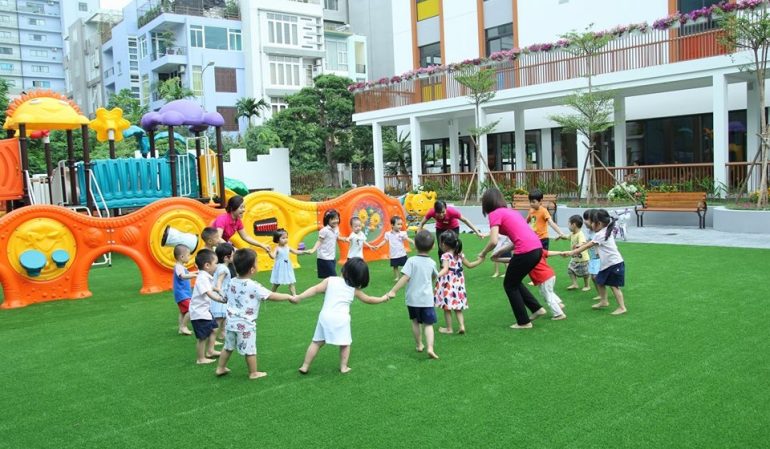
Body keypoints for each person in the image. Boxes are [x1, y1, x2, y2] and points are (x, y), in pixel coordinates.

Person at [295, 258, 389, 374]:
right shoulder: (353, 290)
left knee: (316, 342)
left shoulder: (330, 280)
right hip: (341, 319)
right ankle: (343, 367)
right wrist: (383, 298)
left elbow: (315, 289)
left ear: (344, 269)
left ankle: (305, 366)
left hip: (325, 316)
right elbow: (369, 299)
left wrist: (299, 297)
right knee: (345, 344)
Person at [215, 248, 297, 380]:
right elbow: (271, 295)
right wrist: (288, 296)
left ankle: (220, 368)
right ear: (252, 269)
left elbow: (225, 297)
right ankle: (253, 373)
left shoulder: (231, 282)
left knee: (228, 347)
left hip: (230, 323)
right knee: (250, 349)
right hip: (246, 324)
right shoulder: (254, 286)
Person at [478, 188, 547, 329]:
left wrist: (483, 253)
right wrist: (500, 252)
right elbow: (518, 239)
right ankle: (536, 309)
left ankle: (524, 322)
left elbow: (493, 241)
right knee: (514, 281)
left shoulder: (494, 214)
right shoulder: (511, 212)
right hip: (537, 249)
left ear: (486, 203)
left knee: (509, 285)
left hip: (526, 251)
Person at [387, 230, 440, 359]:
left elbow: (405, 278)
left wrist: (393, 291)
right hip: (426, 299)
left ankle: (419, 344)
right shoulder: (432, 263)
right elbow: (435, 276)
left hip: (413, 299)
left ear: (415, 245)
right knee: (428, 324)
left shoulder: (411, 261)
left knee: (415, 321)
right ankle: (430, 347)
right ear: (433, 246)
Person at [564, 209, 627, 315]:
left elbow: (588, 245)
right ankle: (604, 301)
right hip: (607, 264)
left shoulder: (600, 234)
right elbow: (591, 243)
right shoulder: (604, 231)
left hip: (614, 264)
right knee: (599, 281)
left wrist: (572, 252)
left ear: (599, 224)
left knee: (614, 286)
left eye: (592, 222)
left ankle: (622, 307)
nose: (590, 224)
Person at [493, 243, 566, 320]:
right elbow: (548, 253)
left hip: (544, 277)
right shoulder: (536, 250)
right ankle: (559, 304)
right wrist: (560, 253)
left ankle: (559, 314)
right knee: (547, 293)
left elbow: (512, 260)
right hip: (549, 274)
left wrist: (497, 259)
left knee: (547, 295)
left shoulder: (525, 255)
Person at [434, 230, 483, 335]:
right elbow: (469, 265)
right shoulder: (459, 255)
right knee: (457, 306)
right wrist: (480, 260)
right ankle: (462, 326)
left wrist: (436, 275)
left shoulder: (446, 256)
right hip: (458, 283)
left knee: (446, 307)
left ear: (443, 244)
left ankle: (449, 329)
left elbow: (445, 269)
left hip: (448, 284)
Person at [189, 249, 226, 364]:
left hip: (205, 311)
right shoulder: (202, 278)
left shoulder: (205, 276)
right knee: (202, 337)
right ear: (207, 265)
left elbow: (210, 288)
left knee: (214, 329)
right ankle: (201, 359)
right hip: (199, 313)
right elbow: (209, 293)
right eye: (216, 263)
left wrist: (217, 289)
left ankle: (210, 351)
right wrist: (220, 299)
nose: (217, 266)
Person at [417, 200, 483, 260]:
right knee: (441, 248)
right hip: (440, 228)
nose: (441, 215)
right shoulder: (431, 212)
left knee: (454, 247)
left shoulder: (452, 211)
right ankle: (443, 266)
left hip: (453, 227)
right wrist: (418, 237)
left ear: (446, 209)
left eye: (443, 212)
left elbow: (465, 220)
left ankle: (455, 264)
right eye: (439, 213)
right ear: (435, 211)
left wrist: (477, 232)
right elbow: (421, 223)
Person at [269, 228, 308, 296]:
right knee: (277, 283)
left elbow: (296, 252)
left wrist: (304, 252)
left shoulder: (287, 247)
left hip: (287, 266)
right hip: (280, 267)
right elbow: (273, 256)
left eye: (286, 237)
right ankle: (271, 294)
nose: (286, 239)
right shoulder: (277, 248)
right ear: (277, 240)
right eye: (283, 238)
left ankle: (294, 295)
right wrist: (269, 252)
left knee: (291, 281)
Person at [307, 209, 344, 279]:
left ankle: (327, 286)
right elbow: (319, 241)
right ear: (327, 220)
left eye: (337, 218)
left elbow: (337, 237)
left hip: (332, 256)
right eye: (333, 219)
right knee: (333, 277)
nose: (336, 221)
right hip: (324, 257)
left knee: (328, 278)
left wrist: (344, 239)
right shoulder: (324, 230)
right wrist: (313, 250)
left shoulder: (336, 228)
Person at [211, 243, 235, 344]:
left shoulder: (218, 266)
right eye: (232, 255)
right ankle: (212, 341)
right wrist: (220, 291)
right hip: (220, 296)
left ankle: (222, 334)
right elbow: (219, 282)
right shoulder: (224, 269)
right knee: (218, 320)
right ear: (226, 258)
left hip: (221, 295)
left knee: (224, 317)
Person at [172, 244, 196, 336]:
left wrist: (197, 272)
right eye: (188, 255)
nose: (189, 257)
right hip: (182, 294)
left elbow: (187, 273)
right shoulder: (178, 267)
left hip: (183, 293)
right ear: (182, 257)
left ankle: (180, 328)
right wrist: (194, 275)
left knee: (183, 312)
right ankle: (184, 326)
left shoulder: (182, 267)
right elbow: (183, 276)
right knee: (191, 309)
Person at [381, 215, 414, 282]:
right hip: (394, 254)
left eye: (401, 224)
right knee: (395, 266)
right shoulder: (388, 234)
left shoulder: (402, 233)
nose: (400, 226)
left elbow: (407, 239)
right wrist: (378, 246)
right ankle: (397, 277)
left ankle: (407, 276)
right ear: (392, 225)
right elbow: (384, 241)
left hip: (402, 253)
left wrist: (413, 242)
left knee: (405, 265)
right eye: (398, 224)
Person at [566, 215, 591, 291]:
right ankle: (575, 284)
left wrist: (578, 245)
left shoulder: (580, 234)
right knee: (570, 270)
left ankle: (587, 285)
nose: (568, 226)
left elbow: (582, 243)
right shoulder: (572, 234)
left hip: (583, 259)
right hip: (574, 258)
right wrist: (561, 236)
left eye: (569, 224)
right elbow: (567, 237)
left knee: (585, 273)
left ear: (573, 225)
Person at [582, 209, 602, 300]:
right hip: (593, 257)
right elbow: (588, 242)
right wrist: (581, 245)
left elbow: (597, 243)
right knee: (594, 277)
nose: (584, 221)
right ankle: (600, 294)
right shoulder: (589, 231)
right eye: (584, 219)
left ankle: (603, 294)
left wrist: (598, 251)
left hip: (599, 257)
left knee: (595, 276)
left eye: (587, 219)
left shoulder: (597, 232)